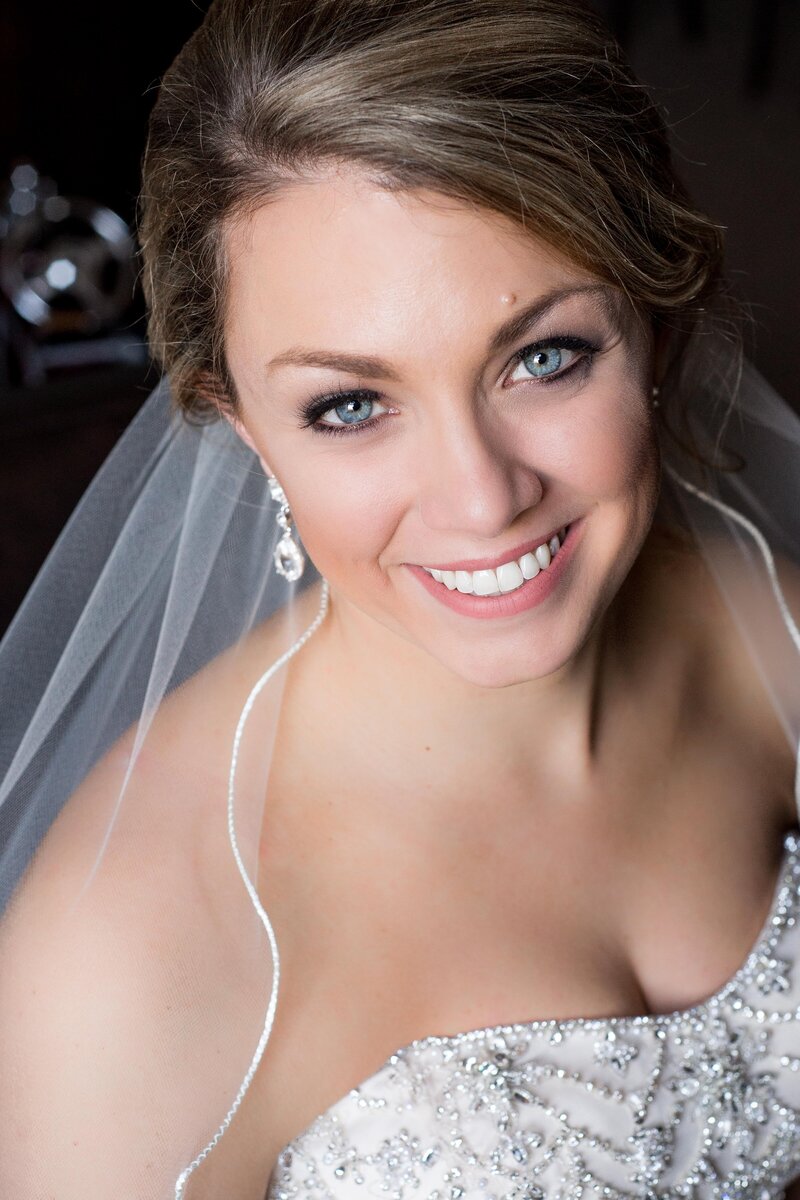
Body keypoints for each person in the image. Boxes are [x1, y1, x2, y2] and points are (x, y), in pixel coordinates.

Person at [1, 1, 800, 1196]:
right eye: (349, 406)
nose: (482, 501)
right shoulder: (125, 956)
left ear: (653, 323)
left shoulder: (766, 632)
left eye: (545, 356)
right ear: (238, 426)